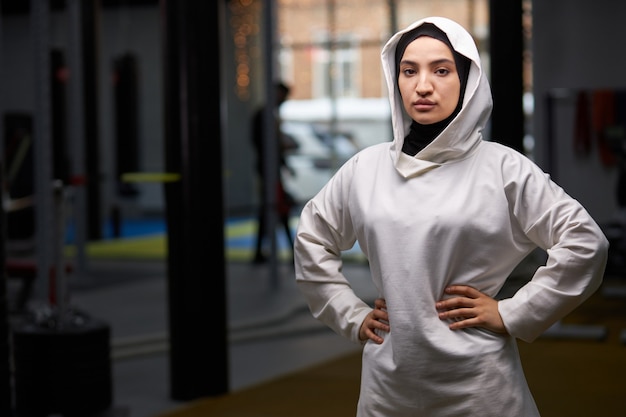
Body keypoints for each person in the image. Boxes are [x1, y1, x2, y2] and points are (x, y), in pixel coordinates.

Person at [293, 16, 609, 417]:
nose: (422, 85)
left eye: (441, 70)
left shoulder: (503, 168)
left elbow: (585, 243)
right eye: (409, 71)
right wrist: (349, 313)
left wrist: (511, 312)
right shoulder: (365, 169)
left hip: (480, 387)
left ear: (467, 81)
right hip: (389, 385)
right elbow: (312, 238)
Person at [251, 81, 298, 263]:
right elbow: (265, 145)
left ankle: (263, 252)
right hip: (268, 171)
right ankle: (290, 251)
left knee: (274, 209)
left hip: (270, 170)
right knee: (275, 208)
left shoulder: (269, 115)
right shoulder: (265, 115)